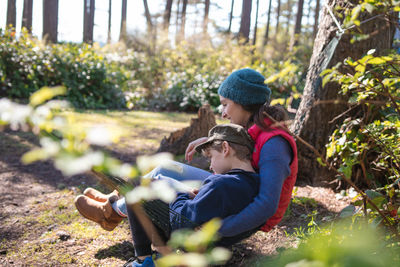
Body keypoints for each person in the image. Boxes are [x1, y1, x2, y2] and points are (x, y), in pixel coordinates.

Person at [75, 68, 298, 262]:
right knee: (166, 168)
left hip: (241, 202)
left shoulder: (274, 145)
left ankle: (113, 209)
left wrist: (218, 230)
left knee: (158, 182)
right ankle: (114, 204)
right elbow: (239, 147)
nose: (222, 112)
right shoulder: (257, 127)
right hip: (237, 189)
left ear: (243, 103)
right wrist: (210, 141)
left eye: (225, 104)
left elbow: (267, 204)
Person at [122, 123, 260, 266]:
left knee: (136, 184)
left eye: (211, 157)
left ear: (225, 148)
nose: (211, 166)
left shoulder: (220, 183)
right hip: (218, 241)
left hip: (192, 238)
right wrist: (199, 196)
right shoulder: (257, 185)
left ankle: (143, 260)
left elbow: (181, 223)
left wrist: (179, 192)